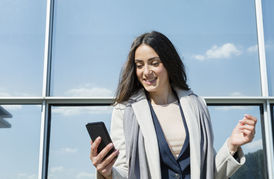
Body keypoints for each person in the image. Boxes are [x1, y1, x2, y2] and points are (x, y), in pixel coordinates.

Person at [90, 31, 257, 179]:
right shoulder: (125, 110)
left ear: (169, 64)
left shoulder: (196, 105)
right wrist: (108, 173)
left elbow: (210, 172)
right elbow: (126, 171)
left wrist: (232, 145)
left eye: (154, 63)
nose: (146, 72)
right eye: (140, 65)